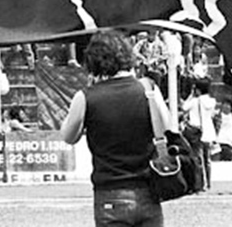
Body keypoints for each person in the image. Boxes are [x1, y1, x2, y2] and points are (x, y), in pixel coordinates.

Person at [61, 30, 165, 227]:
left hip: (110, 192)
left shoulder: (86, 97)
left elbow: (68, 136)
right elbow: (167, 128)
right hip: (148, 190)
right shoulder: (149, 90)